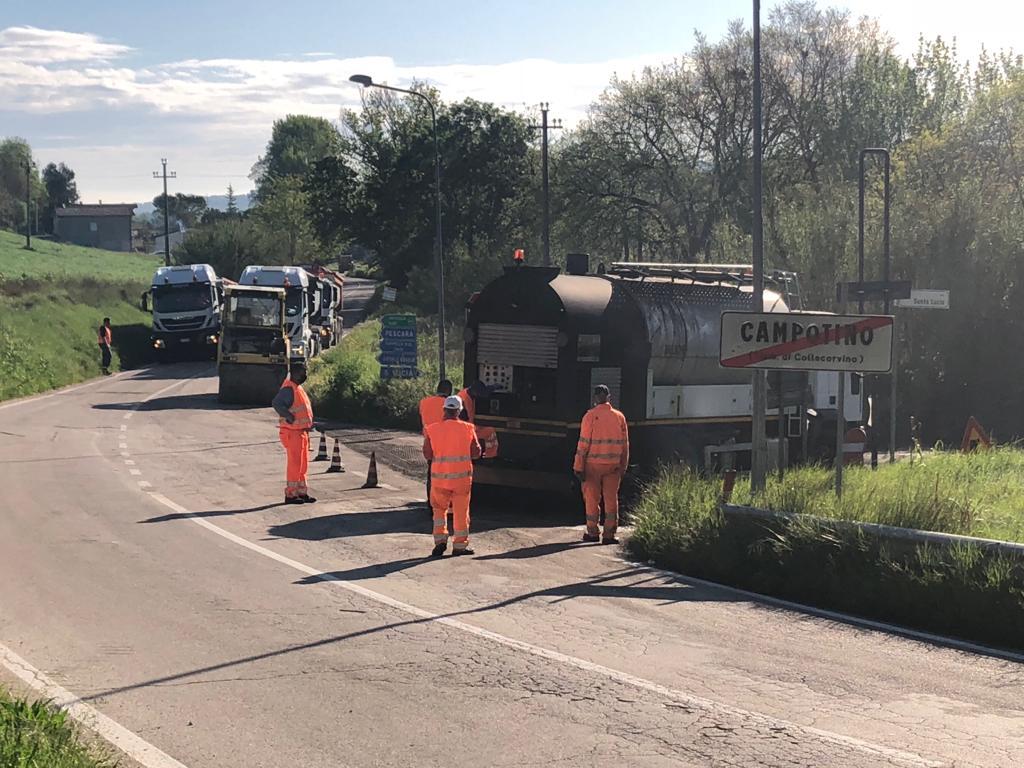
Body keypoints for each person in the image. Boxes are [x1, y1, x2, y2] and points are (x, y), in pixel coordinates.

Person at [423, 395, 482, 557]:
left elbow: (427, 454)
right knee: (461, 511)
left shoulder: (432, 429)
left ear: (444, 410)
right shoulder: (468, 429)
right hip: (461, 480)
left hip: (439, 480)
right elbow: (476, 452)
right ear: (459, 411)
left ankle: (440, 542)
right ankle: (459, 546)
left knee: (439, 511)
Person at [573, 384, 629, 544]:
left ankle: (592, 533)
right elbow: (625, 445)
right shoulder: (619, 417)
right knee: (611, 499)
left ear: (595, 398)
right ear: (609, 397)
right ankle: (609, 535)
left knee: (591, 499)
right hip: (613, 466)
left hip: (592, 465)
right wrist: (623, 465)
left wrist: (578, 466)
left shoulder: (589, 417)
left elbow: (583, 444)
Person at [272, 365, 317, 505]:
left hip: (301, 432)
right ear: (295, 373)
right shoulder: (288, 388)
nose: (305, 375)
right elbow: (277, 403)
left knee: (302, 464)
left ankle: (301, 492)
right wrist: (289, 417)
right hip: (292, 433)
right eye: (303, 372)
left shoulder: (298, 388)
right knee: (295, 464)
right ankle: (290, 495)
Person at [419, 380, 452, 506]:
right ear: (449, 391)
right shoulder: (447, 405)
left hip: (429, 442)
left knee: (431, 474)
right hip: (444, 444)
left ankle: (431, 502)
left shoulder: (424, 402)